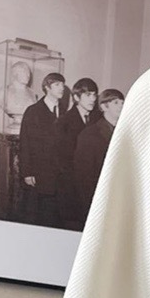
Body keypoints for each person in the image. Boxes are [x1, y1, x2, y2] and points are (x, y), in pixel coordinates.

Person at [17, 72, 67, 223]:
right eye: (57, 84)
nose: (62, 88)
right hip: (39, 173)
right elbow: (25, 143)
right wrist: (27, 172)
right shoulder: (33, 111)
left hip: (59, 175)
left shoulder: (63, 111)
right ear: (47, 87)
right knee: (37, 214)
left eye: (62, 84)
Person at [56, 78, 102, 223]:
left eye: (94, 95)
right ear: (76, 97)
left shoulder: (98, 119)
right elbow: (61, 159)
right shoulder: (64, 122)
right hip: (72, 186)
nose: (93, 99)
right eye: (88, 95)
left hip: (93, 184)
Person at [73, 88, 124, 217]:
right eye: (116, 103)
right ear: (104, 107)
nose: (121, 106)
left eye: (122, 102)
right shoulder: (90, 134)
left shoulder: (126, 133)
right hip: (97, 200)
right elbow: (83, 176)